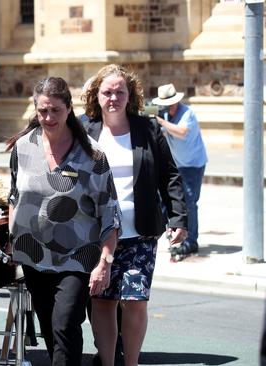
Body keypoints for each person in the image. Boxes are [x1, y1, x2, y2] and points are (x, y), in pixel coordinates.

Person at [6, 76, 119, 365]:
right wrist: (11, 240)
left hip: (77, 257)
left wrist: (104, 263)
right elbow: (14, 197)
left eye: (55, 110)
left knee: (65, 325)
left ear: (69, 109)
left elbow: (109, 213)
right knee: (51, 332)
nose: (48, 117)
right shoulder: (23, 148)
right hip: (33, 255)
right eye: (42, 111)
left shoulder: (92, 155)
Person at [82, 64, 188, 366]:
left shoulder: (147, 129)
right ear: (96, 96)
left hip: (140, 232)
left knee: (134, 301)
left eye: (120, 92)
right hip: (96, 235)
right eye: (107, 92)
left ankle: (131, 362)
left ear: (130, 95)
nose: (113, 97)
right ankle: (107, 361)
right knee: (102, 302)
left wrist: (178, 217)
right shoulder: (84, 130)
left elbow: (170, 175)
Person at [152, 83, 207, 256]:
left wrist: (159, 120)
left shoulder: (187, 113)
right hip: (176, 164)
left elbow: (181, 132)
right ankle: (174, 236)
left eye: (169, 104)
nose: (167, 107)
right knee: (170, 201)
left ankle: (192, 241)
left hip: (192, 164)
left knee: (190, 203)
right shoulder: (165, 112)